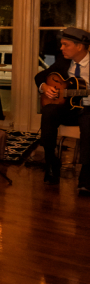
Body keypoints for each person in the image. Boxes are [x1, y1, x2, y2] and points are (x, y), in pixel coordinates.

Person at [35, 25, 90, 193]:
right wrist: (44, 87)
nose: (61, 48)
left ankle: (86, 177)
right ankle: (51, 162)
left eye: (66, 44)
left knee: (89, 124)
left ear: (79, 46)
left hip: (88, 108)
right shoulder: (63, 61)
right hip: (68, 108)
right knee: (48, 112)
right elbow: (40, 76)